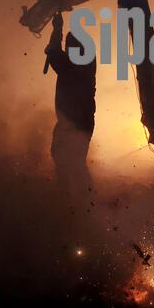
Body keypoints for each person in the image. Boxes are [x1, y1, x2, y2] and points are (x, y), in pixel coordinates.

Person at [45, 12, 96, 199]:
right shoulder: (86, 60)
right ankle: (81, 199)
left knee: (68, 161)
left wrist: (57, 30)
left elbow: (54, 55)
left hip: (74, 122)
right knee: (71, 161)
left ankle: (78, 200)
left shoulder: (76, 63)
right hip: (79, 120)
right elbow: (55, 55)